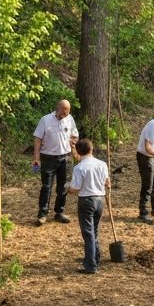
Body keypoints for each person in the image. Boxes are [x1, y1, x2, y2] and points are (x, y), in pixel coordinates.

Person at [32, 99, 78, 225]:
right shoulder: (45, 120)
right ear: (58, 109)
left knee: (63, 187)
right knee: (46, 187)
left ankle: (59, 212)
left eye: (68, 112)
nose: (66, 115)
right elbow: (37, 139)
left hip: (65, 158)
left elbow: (74, 135)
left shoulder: (69, 119)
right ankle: (42, 214)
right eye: (64, 112)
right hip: (48, 158)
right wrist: (36, 158)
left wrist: (73, 147)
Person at [67, 138, 110, 274]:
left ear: (78, 152)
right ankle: (94, 258)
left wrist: (68, 189)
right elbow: (107, 182)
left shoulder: (79, 168)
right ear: (91, 149)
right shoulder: (102, 164)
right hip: (100, 199)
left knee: (88, 233)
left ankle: (91, 265)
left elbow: (76, 188)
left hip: (86, 201)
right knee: (94, 230)